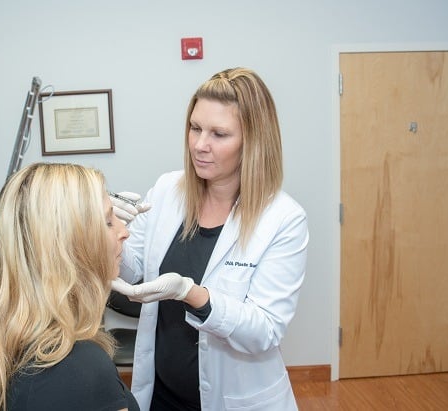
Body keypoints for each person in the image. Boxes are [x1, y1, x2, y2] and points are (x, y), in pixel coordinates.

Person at [110, 67, 309, 411]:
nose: (200, 145)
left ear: (253, 141)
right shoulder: (168, 189)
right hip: (161, 395)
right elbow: (131, 271)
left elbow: (264, 330)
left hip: (234, 400)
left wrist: (192, 294)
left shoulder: (283, 219)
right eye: (195, 128)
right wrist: (107, 228)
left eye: (219, 134)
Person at [0, 162, 140, 411]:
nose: (124, 231)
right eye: (108, 221)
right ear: (70, 244)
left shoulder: (23, 347)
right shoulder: (81, 369)